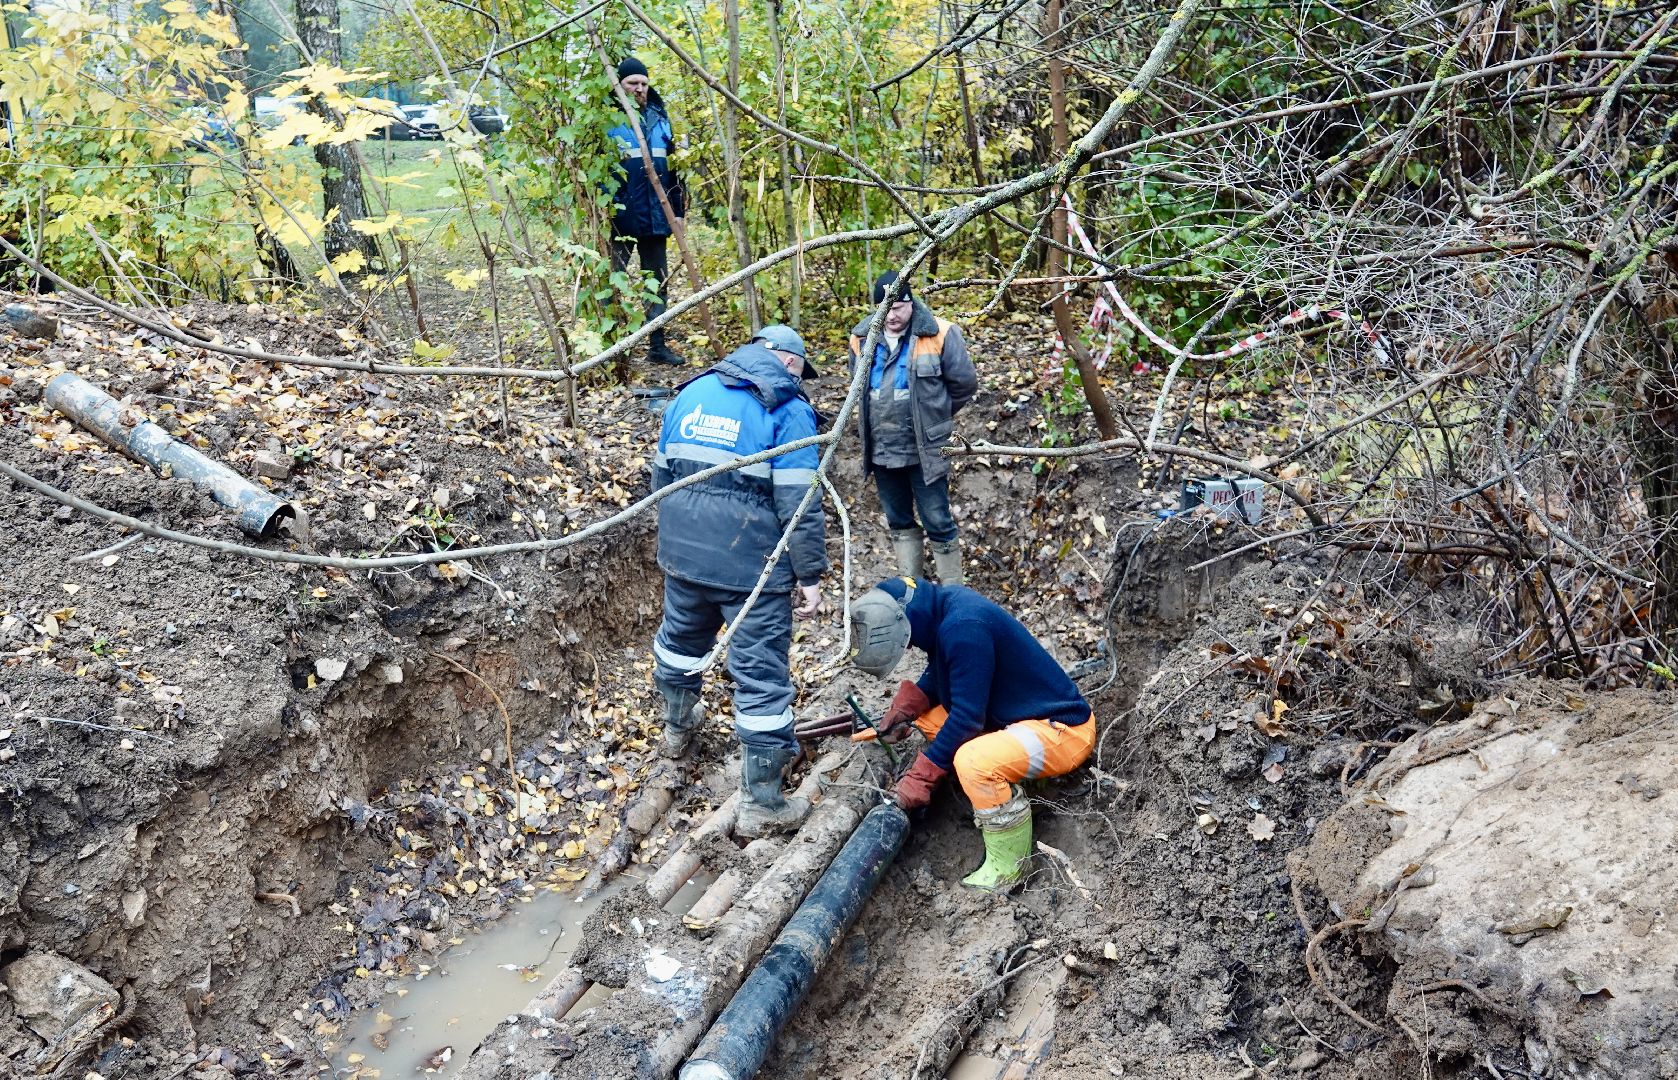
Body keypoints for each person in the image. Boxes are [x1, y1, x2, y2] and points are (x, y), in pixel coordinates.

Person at [650, 324, 827, 837]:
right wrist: (809, 573)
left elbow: (662, 476)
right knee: (760, 674)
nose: (798, 376)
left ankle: (678, 731)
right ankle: (762, 804)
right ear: (784, 360)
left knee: (680, 642)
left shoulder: (691, 392)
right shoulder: (788, 409)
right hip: (750, 567)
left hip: (683, 552)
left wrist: (678, 536)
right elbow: (800, 500)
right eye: (799, 366)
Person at [846, 577, 1094, 889]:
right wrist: (909, 707)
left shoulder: (964, 628)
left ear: (903, 618)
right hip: (1020, 718)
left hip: (1062, 731)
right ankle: (993, 784)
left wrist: (921, 776)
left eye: (907, 640)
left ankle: (1009, 868)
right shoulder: (944, 607)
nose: (909, 646)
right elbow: (946, 673)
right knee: (931, 720)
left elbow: (967, 718)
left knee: (972, 761)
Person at [849, 271, 978, 584]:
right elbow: (858, 389)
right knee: (898, 520)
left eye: (899, 307)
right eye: (885, 308)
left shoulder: (940, 333)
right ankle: (912, 588)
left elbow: (964, 384)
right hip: (882, 450)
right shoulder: (860, 339)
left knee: (937, 518)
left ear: (911, 302)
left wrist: (934, 417)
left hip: (926, 449)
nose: (892, 315)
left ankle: (953, 592)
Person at [609, 57, 687, 366]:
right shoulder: (606, 119)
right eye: (632, 83)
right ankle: (611, 350)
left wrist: (678, 212)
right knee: (612, 282)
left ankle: (657, 346)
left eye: (643, 83)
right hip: (620, 219)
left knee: (658, 282)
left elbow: (675, 171)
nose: (639, 89)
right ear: (619, 86)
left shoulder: (660, 118)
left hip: (657, 217)